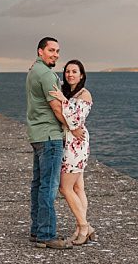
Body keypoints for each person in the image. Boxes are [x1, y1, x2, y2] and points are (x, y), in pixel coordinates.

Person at [25, 37, 84, 249]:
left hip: (37, 135)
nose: (56, 55)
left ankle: (37, 229)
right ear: (40, 51)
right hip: (50, 136)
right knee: (48, 186)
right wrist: (74, 128)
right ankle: (46, 234)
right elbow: (57, 108)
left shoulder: (34, 71)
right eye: (51, 50)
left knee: (38, 184)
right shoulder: (46, 74)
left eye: (58, 51)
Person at [49, 60, 95, 245]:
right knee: (78, 188)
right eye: (67, 71)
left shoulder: (85, 94)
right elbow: (49, 80)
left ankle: (84, 225)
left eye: (74, 71)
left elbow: (76, 118)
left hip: (76, 143)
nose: (70, 74)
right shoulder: (66, 90)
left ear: (82, 75)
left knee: (65, 188)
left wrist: (63, 100)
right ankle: (82, 227)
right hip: (70, 141)